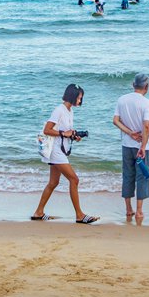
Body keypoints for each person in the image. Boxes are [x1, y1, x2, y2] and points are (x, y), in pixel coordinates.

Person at [31, 84, 98, 224]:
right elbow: (47, 130)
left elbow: (66, 132)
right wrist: (63, 133)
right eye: (79, 98)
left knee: (53, 182)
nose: (80, 101)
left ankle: (38, 212)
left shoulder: (69, 111)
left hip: (61, 150)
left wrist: (73, 136)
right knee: (74, 180)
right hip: (56, 152)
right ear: (73, 96)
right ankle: (79, 215)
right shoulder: (59, 110)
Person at [113, 74, 149, 223]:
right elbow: (147, 125)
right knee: (142, 177)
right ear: (146, 87)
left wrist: (129, 133)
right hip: (141, 147)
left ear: (133, 84)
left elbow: (115, 121)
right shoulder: (147, 103)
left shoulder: (122, 100)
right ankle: (139, 211)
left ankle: (128, 209)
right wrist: (143, 146)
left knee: (128, 176)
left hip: (126, 144)